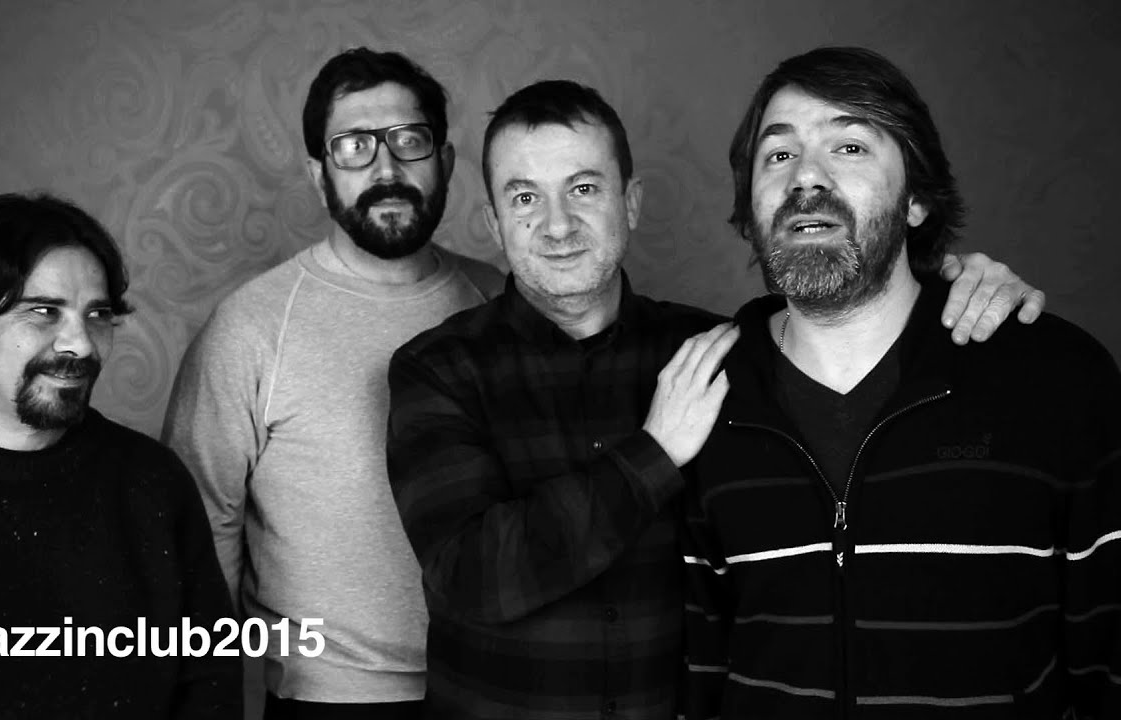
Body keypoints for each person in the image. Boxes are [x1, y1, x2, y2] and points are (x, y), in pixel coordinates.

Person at [385, 79, 1049, 719]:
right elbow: (472, 578)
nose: (558, 225)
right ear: (494, 222)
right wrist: (653, 453)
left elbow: (847, 318)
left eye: (584, 188)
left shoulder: (719, 352)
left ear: (631, 203)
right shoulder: (437, 370)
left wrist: (953, 282)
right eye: (525, 198)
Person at [680, 46, 1121, 719]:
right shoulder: (702, 397)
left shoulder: (1056, 377)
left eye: (849, 147)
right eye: (779, 154)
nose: (806, 177)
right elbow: (701, 674)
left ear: (916, 200)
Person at [162, 48, 503, 720]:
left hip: (498, 686)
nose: (386, 169)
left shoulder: (499, 301)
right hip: (329, 700)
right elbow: (200, 533)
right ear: (319, 176)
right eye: (353, 147)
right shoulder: (252, 327)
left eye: (409, 140)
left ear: (445, 161)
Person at [0, 193, 240, 718]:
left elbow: (210, 683)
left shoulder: (153, 483)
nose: (81, 344)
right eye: (44, 312)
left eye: (97, 315)